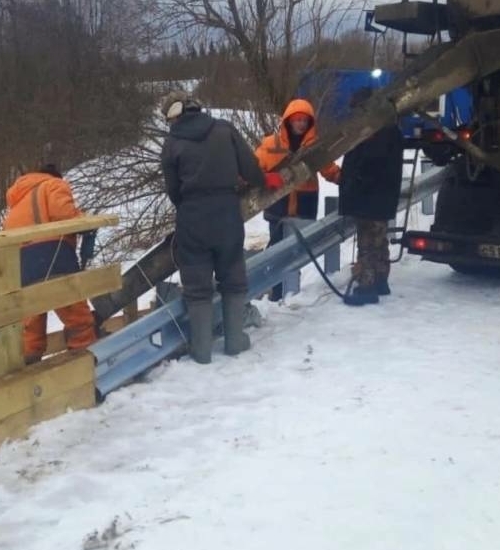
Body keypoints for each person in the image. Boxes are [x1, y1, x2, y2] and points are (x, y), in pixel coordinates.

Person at [160, 91, 271, 364]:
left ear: (173, 116)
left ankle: (201, 350)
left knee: (197, 287)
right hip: (227, 214)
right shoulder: (225, 130)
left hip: (192, 217)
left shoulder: (172, 143)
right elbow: (252, 170)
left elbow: (173, 190)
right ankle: (235, 341)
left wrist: (190, 204)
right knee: (232, 277)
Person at [2, 160, 99, 364]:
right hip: (53, 255)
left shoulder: (18, 202)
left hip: (21, 264)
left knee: (31, 322)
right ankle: (86, 366)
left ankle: (28, 371)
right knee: (76, 315)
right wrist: (85, 221)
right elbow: (64, 215)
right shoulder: (53, 184)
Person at [255, 98, 341, 301]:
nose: (301, 123)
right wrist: (265, 178)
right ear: (288, 121)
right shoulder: (270, 144)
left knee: (296, 253)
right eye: (297, 119)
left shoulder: (314, 146)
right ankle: (277, 294)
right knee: (276, 252)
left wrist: (345, 180)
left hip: (304, 204)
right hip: (278, 207)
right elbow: (253, 167)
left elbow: (330, 170)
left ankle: (291, 293)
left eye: (305, 120)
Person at [338, 88, 405, 306]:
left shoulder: (374, 136)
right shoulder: (390, 131)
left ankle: (366, 287)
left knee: (367, 243)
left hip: (369, 198)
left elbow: (367, 166)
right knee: (378, 240)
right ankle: (380, 281)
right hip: (380, 197)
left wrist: (354, 184)